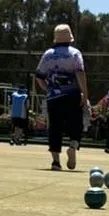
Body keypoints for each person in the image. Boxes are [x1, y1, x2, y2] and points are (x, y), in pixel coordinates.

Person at [35, 24, 88, 171]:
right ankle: (73, 145)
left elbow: (39, 77)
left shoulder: (48, 54)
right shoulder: (75, 53)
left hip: (54, 96)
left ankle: (56, 162)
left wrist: (48, 89)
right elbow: (80, 73)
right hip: (72, 94)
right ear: (70, 38)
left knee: (55, 127)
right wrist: (85, 93)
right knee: (76, 124)